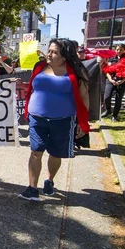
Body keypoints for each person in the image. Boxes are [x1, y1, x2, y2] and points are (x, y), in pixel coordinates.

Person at [19, 38, 89, 201]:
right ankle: (32, 189)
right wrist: (21, 84)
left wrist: (83, 122)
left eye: (54, 52)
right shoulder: (40, 67)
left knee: (55, 153)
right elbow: (34, 87)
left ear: (65, 56)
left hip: (63, 120)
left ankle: (49, 181)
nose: (48, 54)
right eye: (49, 50)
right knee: (36, 152)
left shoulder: (77, 71)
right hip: (37, 119)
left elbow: (84, 96)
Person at [101, 43, 125, 121]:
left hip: (122, 81)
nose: (118, 51)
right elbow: (106, 70)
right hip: (111, 79)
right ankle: (108, 110)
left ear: (124, 50)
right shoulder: (111, 58)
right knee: (107, 97)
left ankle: (115, 115)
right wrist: (110, 79)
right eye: (117, 49)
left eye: (121, 50)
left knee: (118, 99)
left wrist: (121, 81)